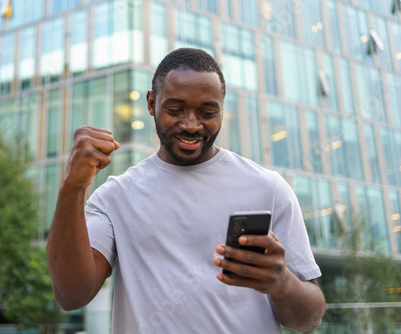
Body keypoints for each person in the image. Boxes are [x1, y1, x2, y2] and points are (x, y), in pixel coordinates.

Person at [47, 48, 326, 333]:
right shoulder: (115, 197)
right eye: (175, 109)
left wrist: (282, 282)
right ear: (151, 103)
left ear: (221, 109)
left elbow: (309, 321)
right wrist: (73, 187)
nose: (191, 125)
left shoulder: (268, 188)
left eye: (207, 112)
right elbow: (71, 295)